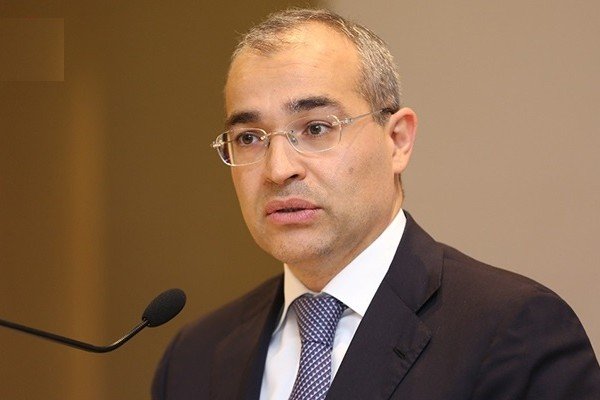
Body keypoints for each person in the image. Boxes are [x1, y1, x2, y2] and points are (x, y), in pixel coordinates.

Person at [152, 8, 600, 400]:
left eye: (316, 128)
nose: (278, 169)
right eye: (249, 138)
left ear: (397, 140)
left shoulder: (514, 333)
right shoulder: (194, 358)